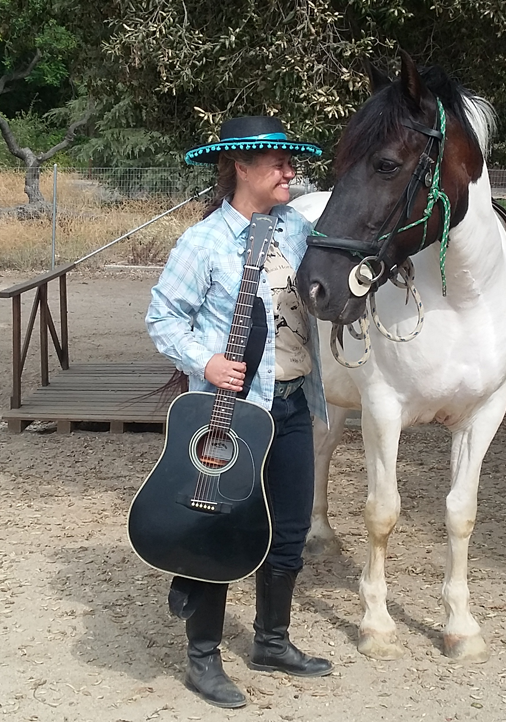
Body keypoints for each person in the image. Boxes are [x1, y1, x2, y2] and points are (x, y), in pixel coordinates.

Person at [145, 116, 332, 709]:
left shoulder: (297, 231)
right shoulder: (202, 243)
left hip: (295, 401)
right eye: (276, 162)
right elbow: (162, 318)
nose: (289, 171)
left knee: (292, 527)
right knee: (219, 528)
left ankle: (271, 641)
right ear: (241, 168)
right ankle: (203, 658)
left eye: (289, 160)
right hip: (232, 414)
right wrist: (205, 361)